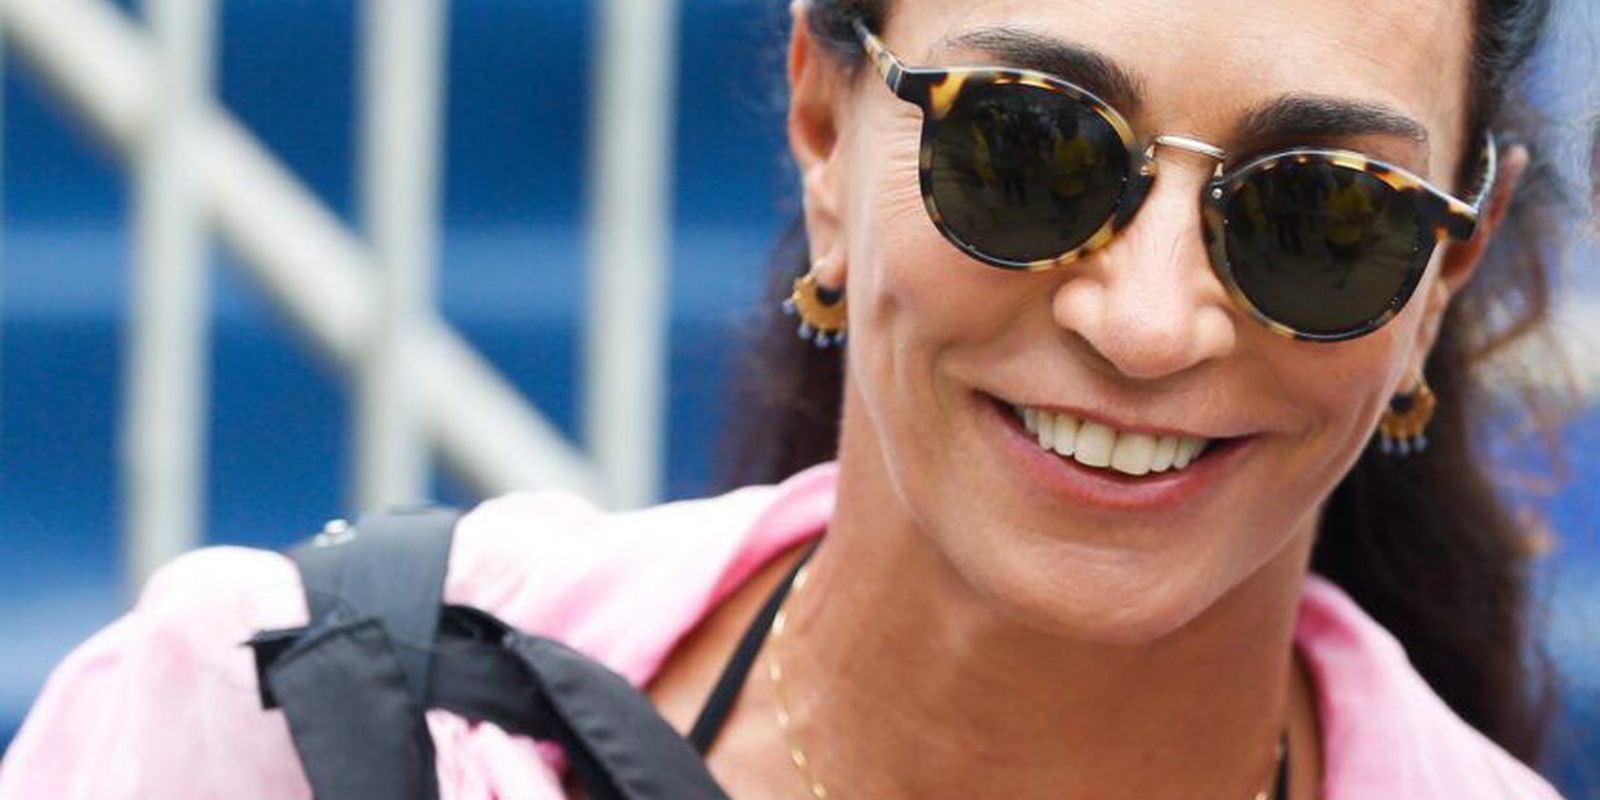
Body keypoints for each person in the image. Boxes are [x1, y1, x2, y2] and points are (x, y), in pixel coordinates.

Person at [0, 0, 1579, 797]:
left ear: (1444, 273)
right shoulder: (276, 729)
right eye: (1024, 148)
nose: (1151, 323)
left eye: (1324, 215)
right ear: (826, 130)